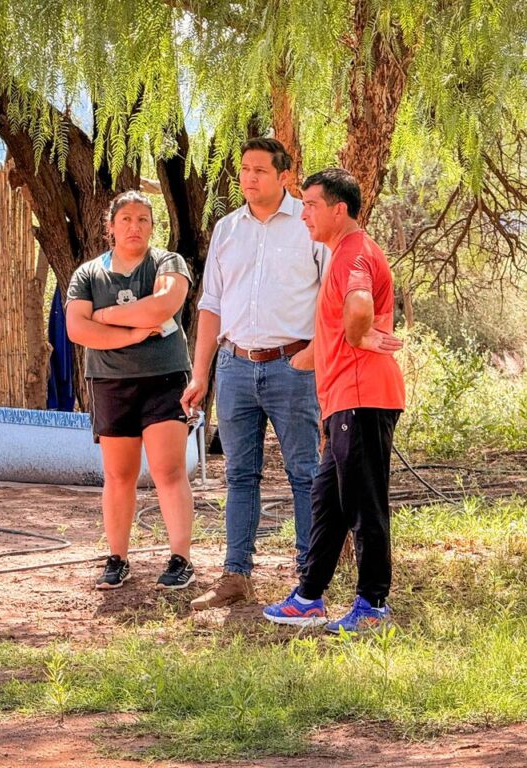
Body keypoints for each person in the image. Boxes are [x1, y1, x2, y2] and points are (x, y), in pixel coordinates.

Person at [183, 138, 327, 610]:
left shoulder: (309, 225)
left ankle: (309, 580)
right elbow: (210, 305)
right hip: (234, 366)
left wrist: (314, 357)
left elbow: (331, 298)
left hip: (294, 366)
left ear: (284, 176)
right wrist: (200, 375)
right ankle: (235, 576)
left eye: (260, 170)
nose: (249, 177)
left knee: (304, 473)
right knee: (239, 474)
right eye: (244, 169)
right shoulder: (227, 229)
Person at [263, 168, 405, 633]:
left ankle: (373, 606)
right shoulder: (343, 253)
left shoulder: (352, 253)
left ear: (338, 210)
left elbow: (359, 305)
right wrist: (299, 358)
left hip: (362, 397)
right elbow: (335, 334)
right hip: (345, 399)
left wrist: (359, 337)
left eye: (311, 205)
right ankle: (309, 598)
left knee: (364, 504)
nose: (303, 214)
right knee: (328, 502)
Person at [65, 191, 197, 592]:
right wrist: (135, 333)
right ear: (110, 227)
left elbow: (162, 306)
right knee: (119, 474)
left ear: (153, 227)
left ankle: (180, 558)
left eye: (143, 220)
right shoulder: (88, 274)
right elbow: (78, 329)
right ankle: (117, 558)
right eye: (126, 219)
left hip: (164, 379)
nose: (134, 227)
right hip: (110, 383)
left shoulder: (168, 263)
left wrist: (106, 316)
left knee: (168, 470)